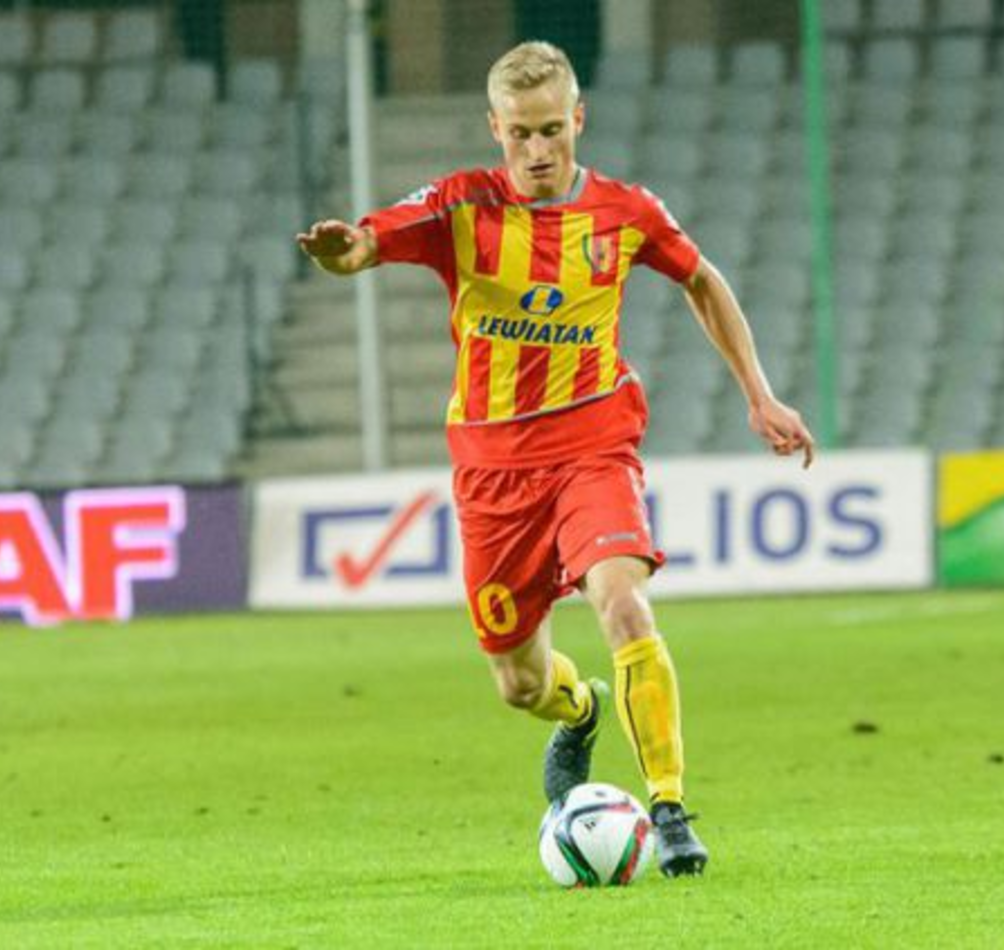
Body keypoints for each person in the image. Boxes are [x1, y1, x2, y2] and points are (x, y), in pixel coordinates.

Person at [297, 40, 814, 878]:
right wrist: (342, 253)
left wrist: (760, 394)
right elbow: (366, 243)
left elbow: (702, 279)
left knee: (625, 605)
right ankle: (580, 714)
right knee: (520, 684)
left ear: (578, 119)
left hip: (592, 447)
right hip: (493, 472)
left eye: (551, 130)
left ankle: (670, 809)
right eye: (520, 134)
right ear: (494, 128)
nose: (538, 150)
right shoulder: (461, 207)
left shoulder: (626, 212)